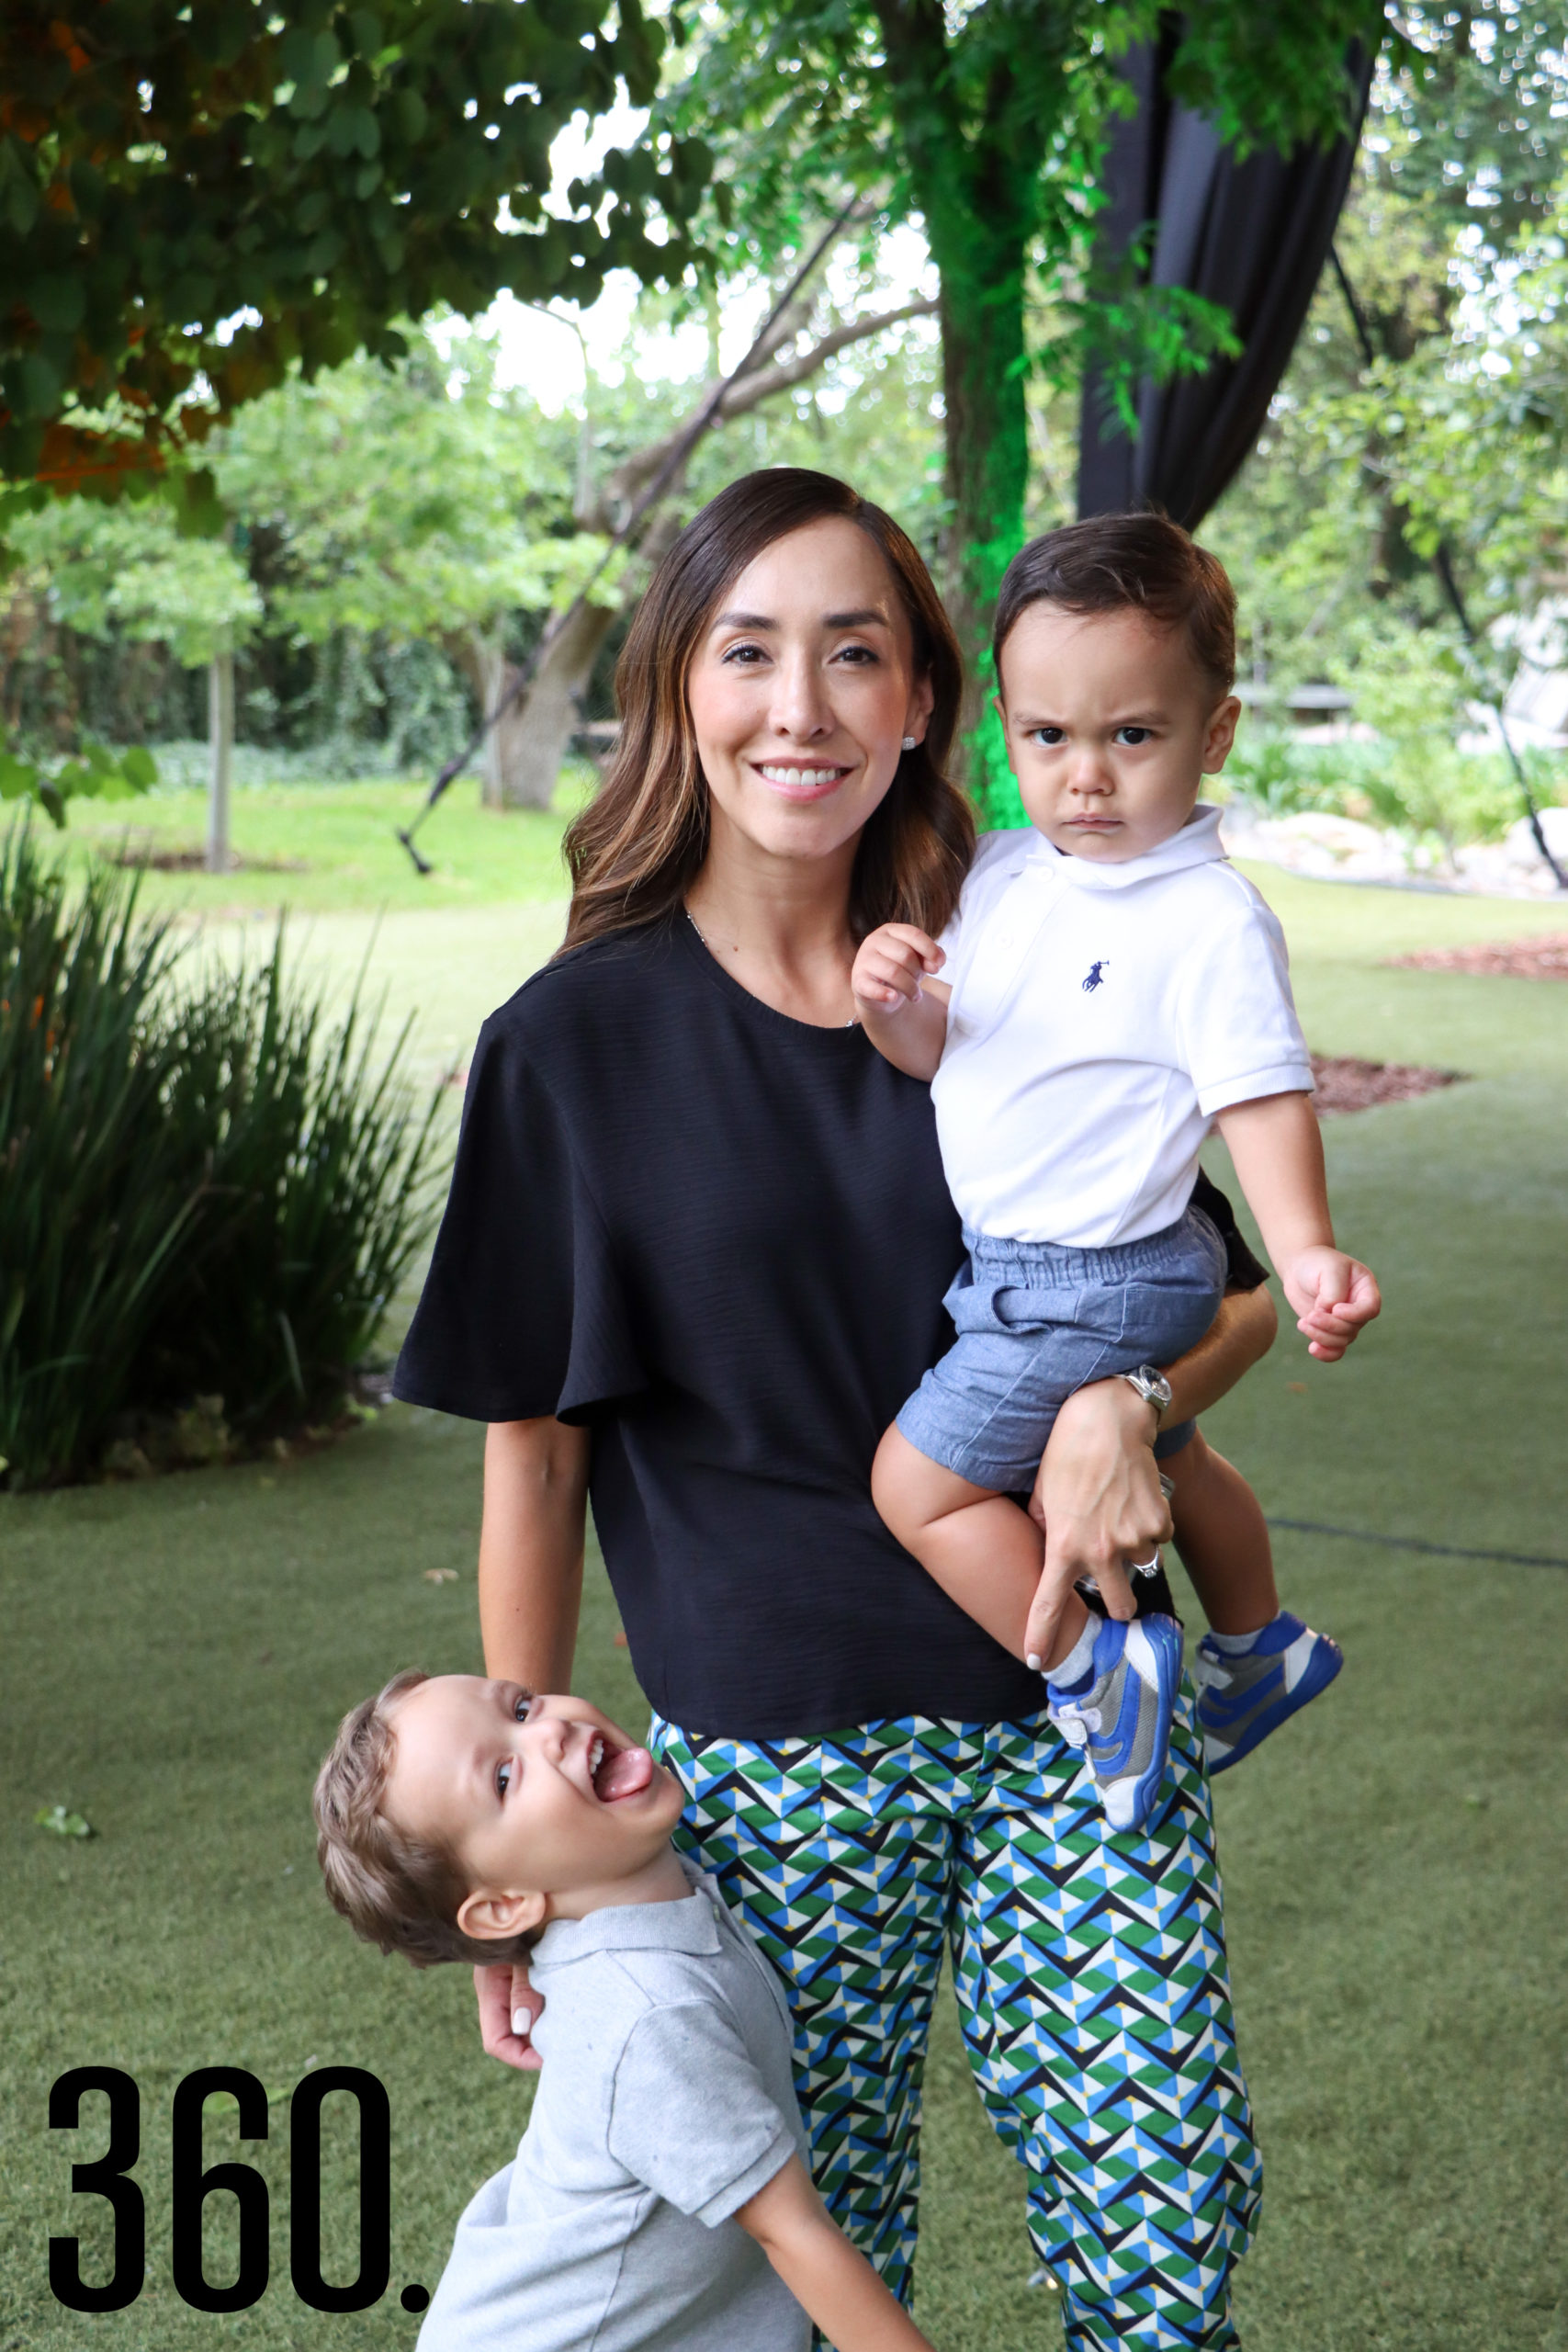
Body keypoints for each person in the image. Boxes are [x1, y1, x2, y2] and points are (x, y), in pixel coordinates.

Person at [393, 469, 1277, 2350]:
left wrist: (1128, 1394)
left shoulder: (1028, 957)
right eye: (749, 650)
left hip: (1076, 1698)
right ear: (678, 685)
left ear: (920, 702)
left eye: (853, 653)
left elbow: (1237, 1287)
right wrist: (517, 1860)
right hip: (782, 1753)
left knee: (1164, 2208)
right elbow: (533, 1460)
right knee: (822, 2247)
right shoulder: (568, 1046)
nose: (799, 705)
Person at [852, 515, 1380, 1830]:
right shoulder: (1009, 870)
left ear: (1212, 735)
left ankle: (1099, 1672)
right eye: (1046, 738)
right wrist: (888, 1009)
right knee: (1178, 1454)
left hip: (1094, 1278)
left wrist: (1305, 1248)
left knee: (914, 1487)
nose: (1083, 776)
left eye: (1128, 736)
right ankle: (1260, 1647)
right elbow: (948, 1052)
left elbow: (1257, 1096)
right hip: (1038, 1268)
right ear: (1008, 731)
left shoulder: (1203, 919)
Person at [313, 1673, 935, 2352]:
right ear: (503, 1907)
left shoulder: (652, 1902)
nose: (547, 1728)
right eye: (501, 1778)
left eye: (520, 1707)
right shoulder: (648, 2014)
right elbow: (791, 2230)